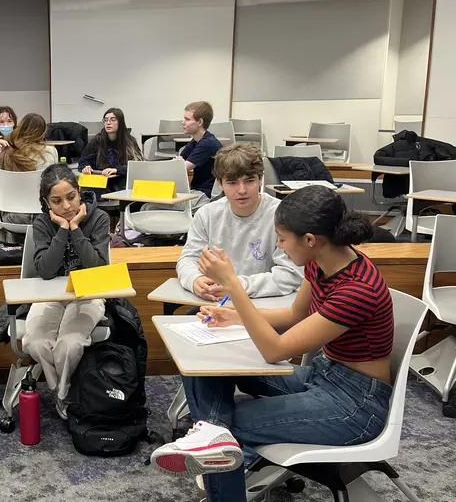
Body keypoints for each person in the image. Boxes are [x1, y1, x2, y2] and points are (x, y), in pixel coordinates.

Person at [150, 185, 393, 502]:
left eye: (281, 238)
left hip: (356, 404)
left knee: (228, 429)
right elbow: (295, 314)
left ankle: (215, 439)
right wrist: (234, 315)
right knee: (203, 361)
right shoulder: (321, 260)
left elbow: (276, 351)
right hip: (324, 375)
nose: (278, 245)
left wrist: (232, 285)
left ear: (309, 240)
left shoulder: (357, 289)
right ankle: (212, 435)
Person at [22, 164, 111, 420]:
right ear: (46, 202)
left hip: (88, 293)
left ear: (79, 191)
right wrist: (62, 228)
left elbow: (97, 268)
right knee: (35, 342)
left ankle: (62, 394)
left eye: (71, 197)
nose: (67, 207)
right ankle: (60, 390)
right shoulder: (42, 223)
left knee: (69, 345)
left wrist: (76, 228)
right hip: (50, 293)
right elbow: (46, 270)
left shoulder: (99, 218)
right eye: (57, 201)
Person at [176, 143, 301, 308]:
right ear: (220, 184)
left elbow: (290, 273)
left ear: (260, 180)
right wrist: (195, 280)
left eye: (249, 181)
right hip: (218, 302)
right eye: (232, 183)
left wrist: (236, 286)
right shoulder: (206, 214)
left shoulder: (282, 215)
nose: (242, 190)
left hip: (265, 305)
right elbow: (188, 259)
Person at [0, 112, 59, 242]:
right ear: (43, 132)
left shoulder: (7, 152)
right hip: (43, 215)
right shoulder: (51, 152)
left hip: (11, 216)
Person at [78, 107, 143, 193]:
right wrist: (86, 167)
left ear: (120, 122)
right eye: (106, 120)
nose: (108, 123)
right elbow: (83, 160)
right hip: (101, 179)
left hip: (121, 179)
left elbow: (137, 166)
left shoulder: (129, 141)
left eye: (113, 120)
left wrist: (117, 170)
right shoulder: (97, 140)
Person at [178, 101, 222, 199]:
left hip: (206, 196)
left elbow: (181, 169)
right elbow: (178, 162)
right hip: (196, 191)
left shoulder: (208, 143)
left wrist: (178, 163)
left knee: (149, 207)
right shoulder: (195, 141)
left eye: (187, 119)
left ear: (200, 122)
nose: (183, 122)